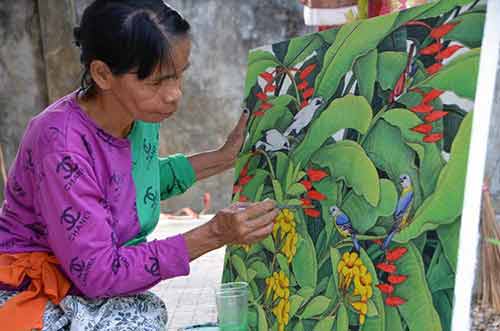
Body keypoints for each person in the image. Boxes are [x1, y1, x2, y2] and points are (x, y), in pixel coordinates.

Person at [0, 1, 278, 330]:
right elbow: (99, 274)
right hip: (33, 287)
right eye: (156, 82)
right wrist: (214, 233)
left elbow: (132, 181)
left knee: (146, 311)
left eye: (179, 75)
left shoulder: (135, 114)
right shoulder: (60, 145)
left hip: (84, 277)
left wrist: (224, 157)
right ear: (102, 74)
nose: (174, 94)